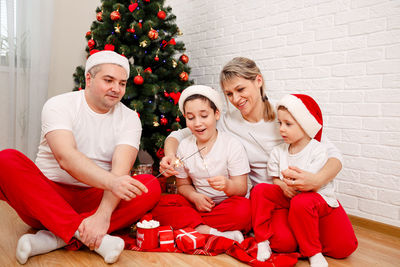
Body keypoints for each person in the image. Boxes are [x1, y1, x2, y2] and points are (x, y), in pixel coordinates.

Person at [159, 57, 357, 256]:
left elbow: (332, 154)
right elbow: (179, 135)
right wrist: (169, 155)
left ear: (258, 81)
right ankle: (267, 230)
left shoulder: (285, 112)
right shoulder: (227, 121)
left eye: (240, 89)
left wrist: (317, 180)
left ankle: (297, 229)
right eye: (229, 94)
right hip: (268, 199)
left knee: (343, 247)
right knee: (283, 244)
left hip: (307, 192)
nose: (236, 99)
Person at [0, 50, 161, 264]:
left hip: (98, 199)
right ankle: (87, 236)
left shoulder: (130, 118)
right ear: (88, 78)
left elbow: (120, 170)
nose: (116, 89)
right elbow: (66, 157)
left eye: (122, 83)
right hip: (48, 199)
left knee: (150, 184)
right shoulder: (59, 105)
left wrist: (103, 214)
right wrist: (112, 182)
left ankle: (55, 238)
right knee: (6, 159)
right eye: (108, 80)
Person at [253, 94, 351, 266]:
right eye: (280, 123)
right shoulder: (278, 151)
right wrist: (283, 186)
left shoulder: (318, 150)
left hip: (314, 199)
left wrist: (294, 183)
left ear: (305, 125)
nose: (281, 129)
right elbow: (276, 178)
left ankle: (313, 252)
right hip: (289, 196)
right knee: (260, 189)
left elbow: (309, 184)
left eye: (288, 124)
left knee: (302, 202)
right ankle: (262, 239)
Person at [151, 85, 251, 242]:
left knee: (244, 210)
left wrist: (226, 185)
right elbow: (183, 185)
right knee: (160, 207)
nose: (197, 123)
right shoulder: (184, 146)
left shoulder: (232, 145)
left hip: (226, 206)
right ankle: (211, 231)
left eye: (204, 116)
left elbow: (241, 189)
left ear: (216, 114)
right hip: (196, 206)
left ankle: (194, 227)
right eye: (191, 118)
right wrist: (195, 197)